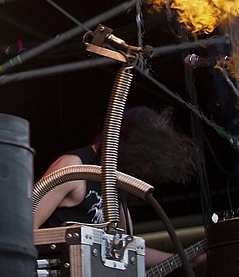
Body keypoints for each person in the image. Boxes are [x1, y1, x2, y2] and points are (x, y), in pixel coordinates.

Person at [34, 106, 203, 269]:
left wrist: (186, 261)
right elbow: (23, 228)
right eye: (140, 163)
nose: (143, 170)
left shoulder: (115, 191)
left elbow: (127, 252)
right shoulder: (73, 168)